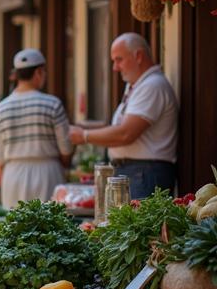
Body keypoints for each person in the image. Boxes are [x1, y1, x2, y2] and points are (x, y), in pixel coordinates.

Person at [69, 33, 178, 198]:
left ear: (139, 56)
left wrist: (84, 136)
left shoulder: (152, 85)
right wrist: (85, 128)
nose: (115, 67)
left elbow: (126, 133)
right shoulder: (137, 85)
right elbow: (120, 127)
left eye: (119, 60)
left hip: (144, 173)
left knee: (137, 224)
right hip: (136, 172)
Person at [0, 49, 72, 207]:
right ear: (38, 72)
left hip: (13, 175)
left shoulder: (1, 108)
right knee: (51, 227)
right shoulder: (52, 104)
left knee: (15, 226)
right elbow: (66, 150)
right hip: (48, 173)